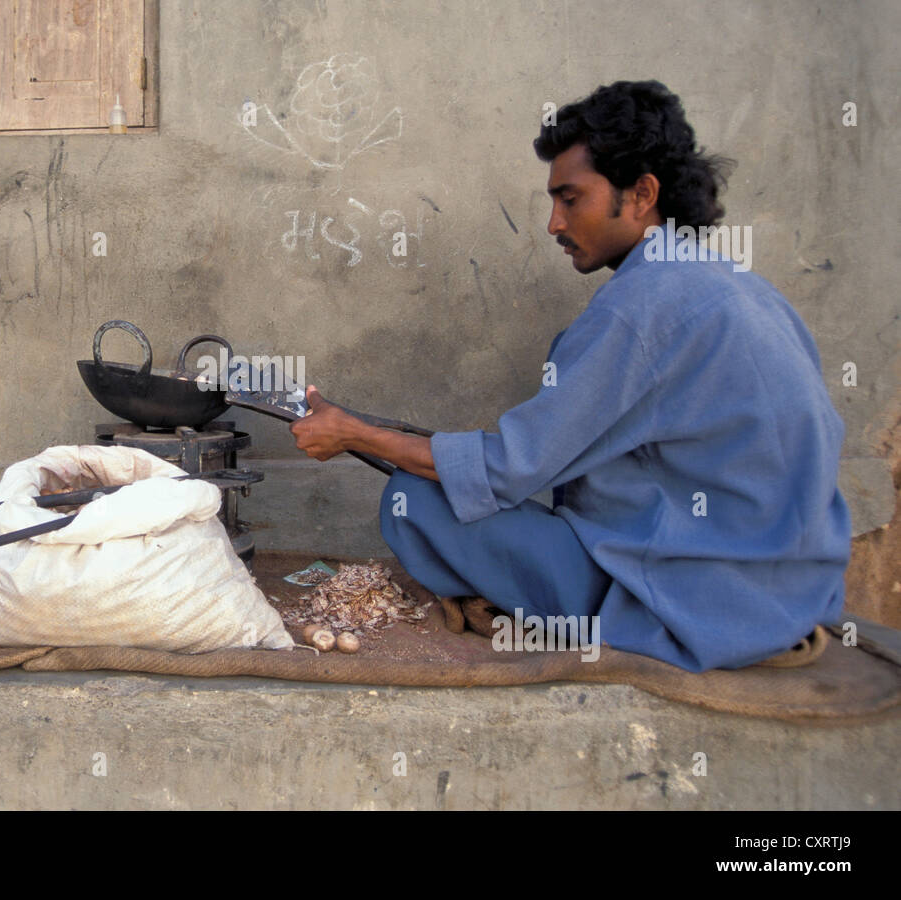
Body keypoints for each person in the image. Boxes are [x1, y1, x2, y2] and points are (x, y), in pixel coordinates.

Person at [289, 80, 850, 672]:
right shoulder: (741, 287)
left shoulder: (641, 306)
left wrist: (355, 434)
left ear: (641, 195)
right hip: (791, 597)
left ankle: (607, 614)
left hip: (693, 602)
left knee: (415, 497)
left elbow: (507, 469)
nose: (554, 223)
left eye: (571, 199)